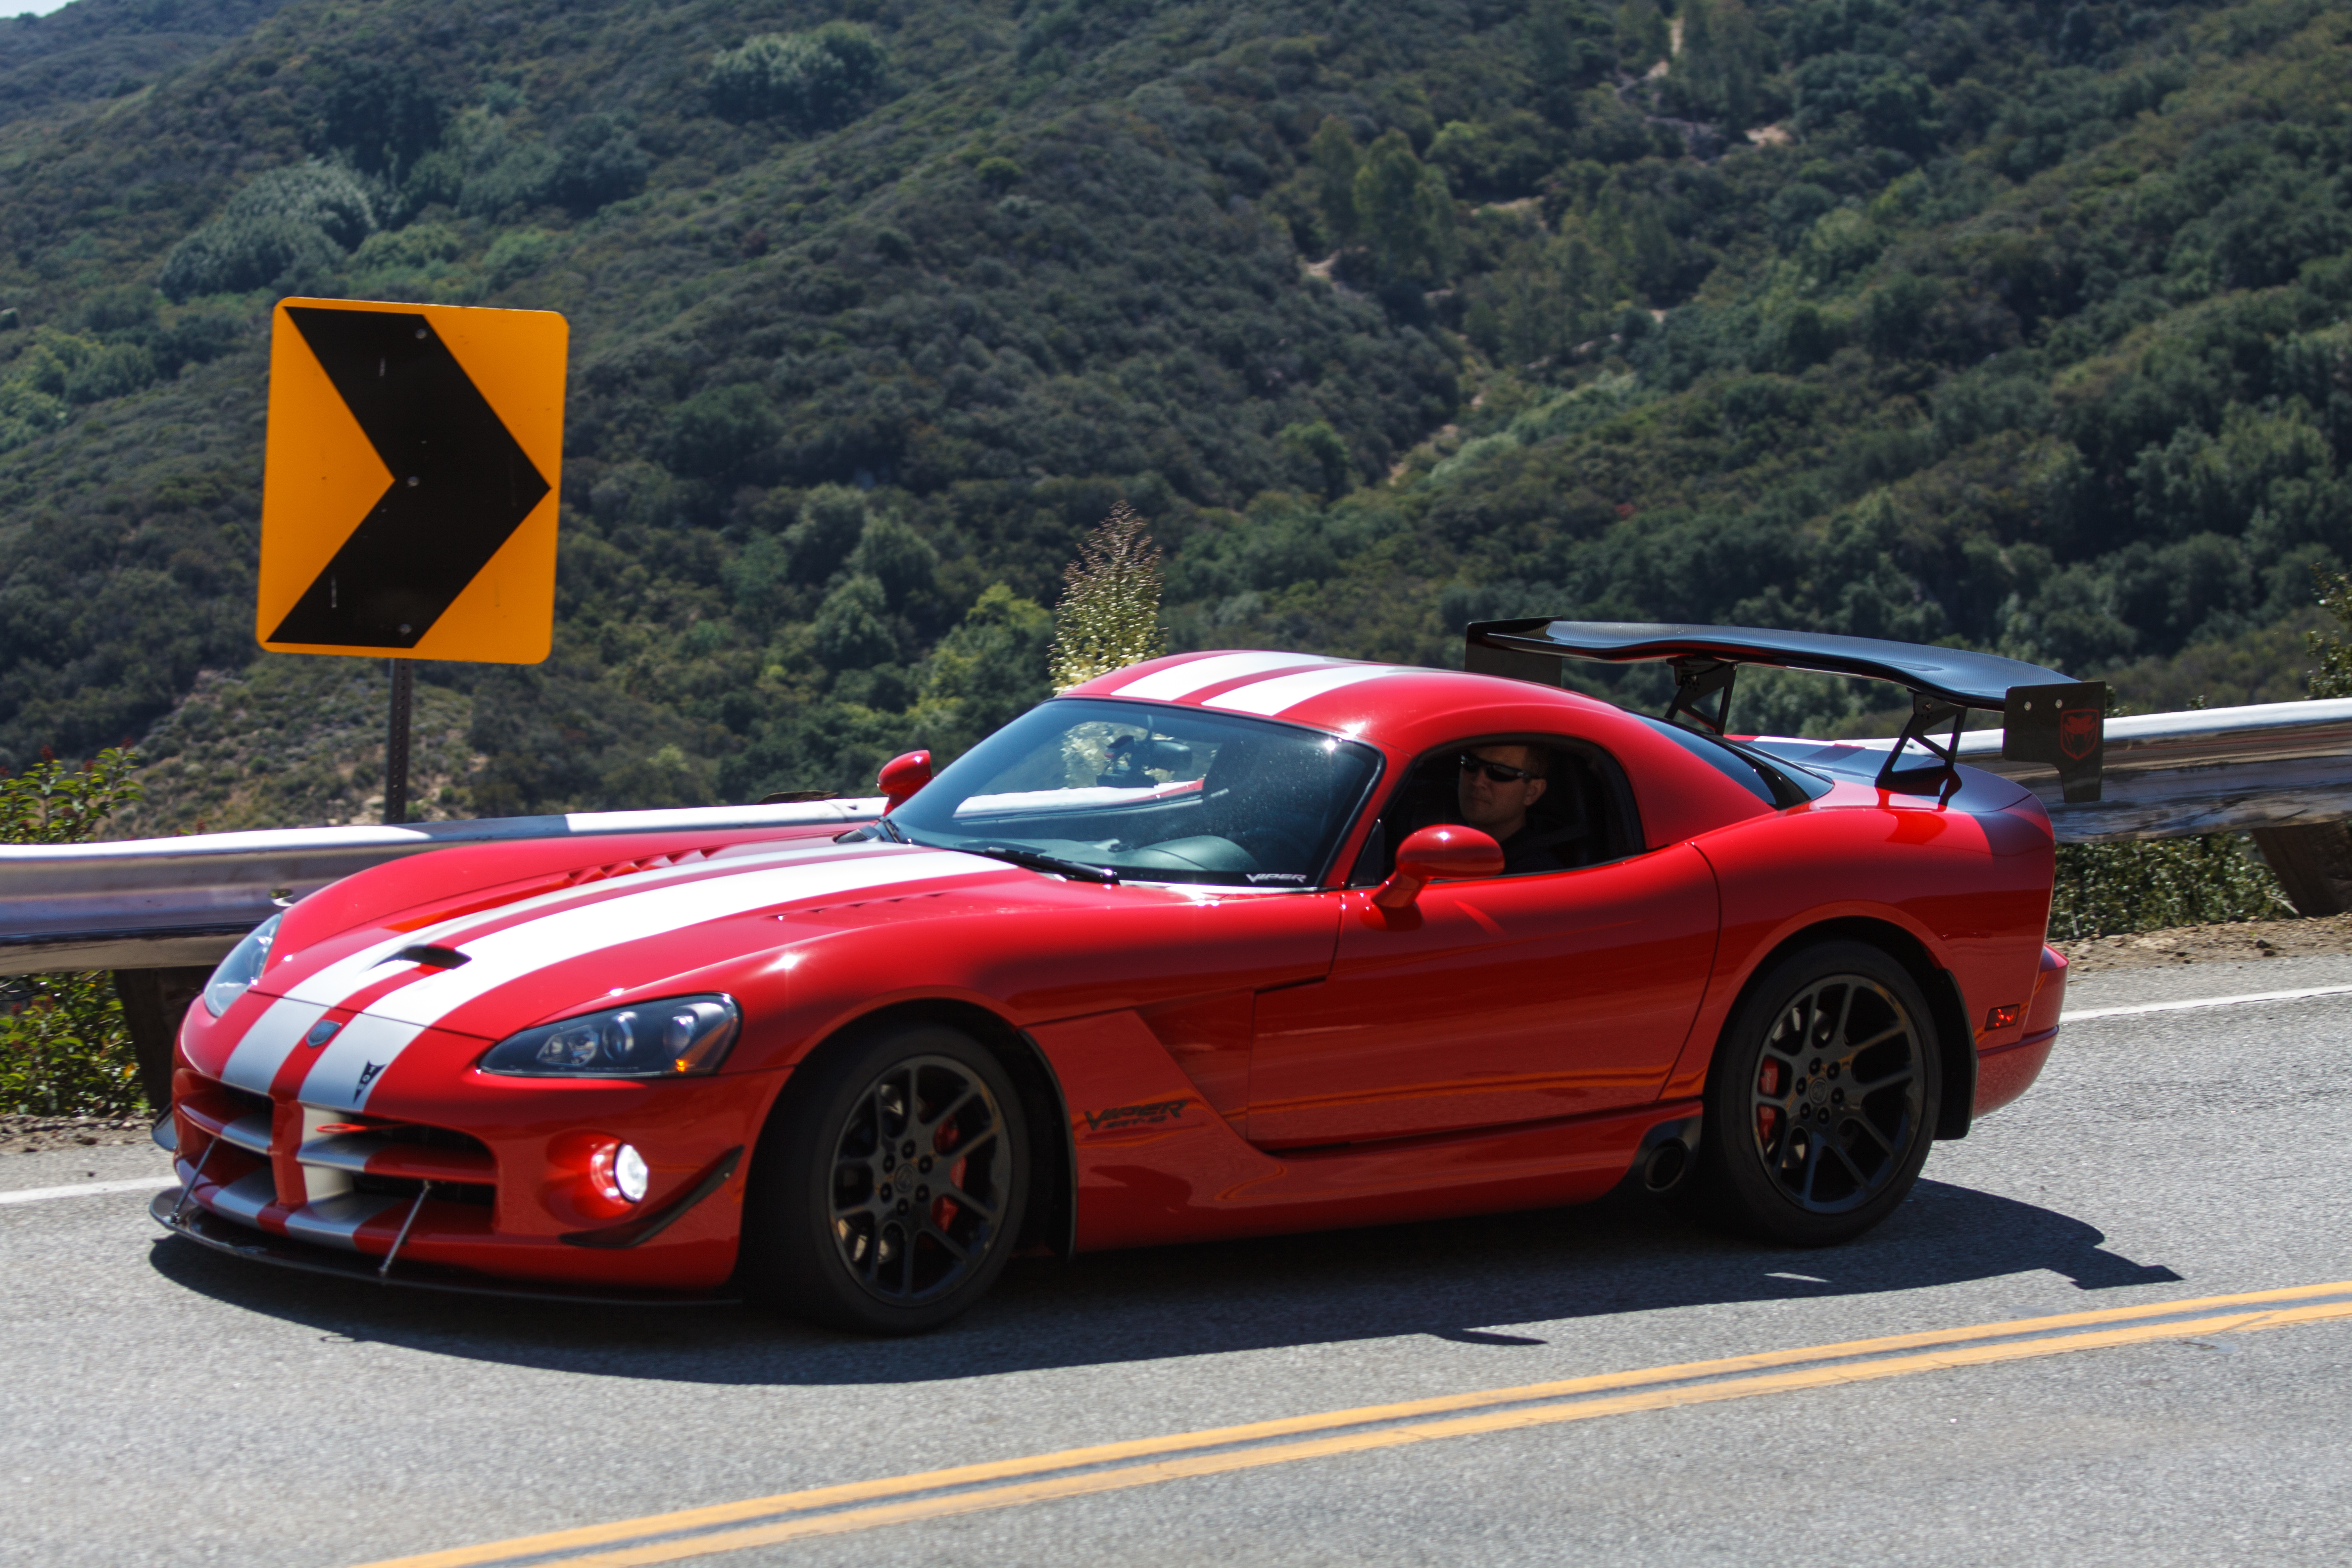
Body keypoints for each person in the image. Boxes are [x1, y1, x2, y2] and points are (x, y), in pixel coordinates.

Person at [1456, 744, 1567, 875]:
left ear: (1532, 792)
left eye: (1500, 771)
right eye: (1470, 763)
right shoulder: (1443, 841)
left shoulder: (1537, 875)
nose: (1478, 781)